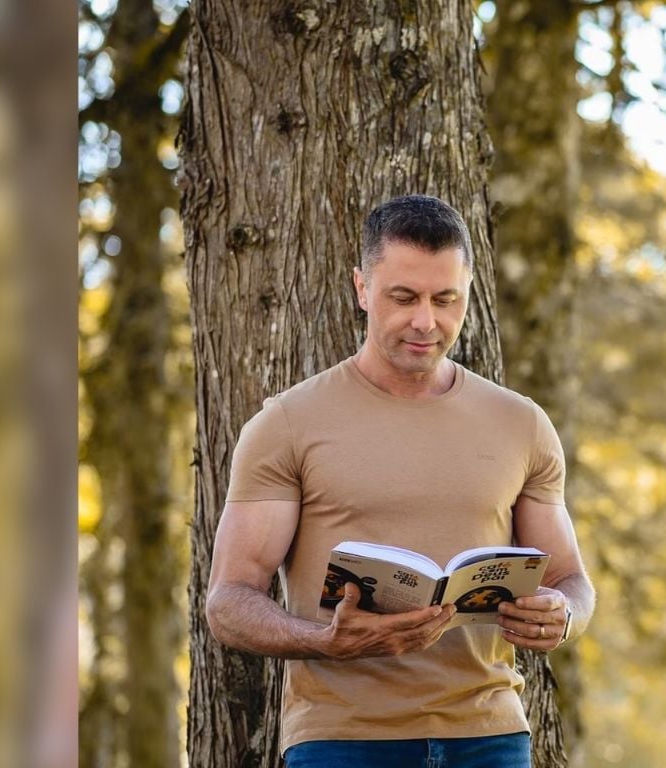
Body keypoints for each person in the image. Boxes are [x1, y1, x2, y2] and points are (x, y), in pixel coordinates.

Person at [205, 194, 595, 767]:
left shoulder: (522, 423)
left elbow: (571, 580)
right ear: (362, 288)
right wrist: (326, 642)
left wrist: (562, 616)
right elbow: (228, 601)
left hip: (488, 737)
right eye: (404, 297)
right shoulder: (287, 423)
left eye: (446, 300)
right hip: (342, 740)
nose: (425, 321)